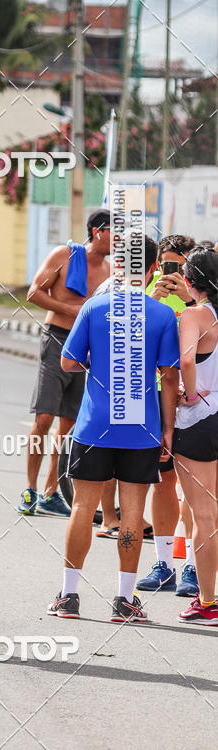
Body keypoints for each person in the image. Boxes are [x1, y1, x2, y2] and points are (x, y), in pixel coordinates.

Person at [47, 235, 180, 621]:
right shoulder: (162, 315)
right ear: (154, 268)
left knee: (82, 506)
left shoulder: (94, 306)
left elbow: (68, 362)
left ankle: (69, 596)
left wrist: (99, 362)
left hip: (94, 425)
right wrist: (168, 431)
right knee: (133, 512)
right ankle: (124, 600)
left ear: (119, 267)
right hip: (141, 426)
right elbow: (170, 377)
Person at [21, 208, 111, 517]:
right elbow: (34, 293)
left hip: (87, 348)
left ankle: (50, 492)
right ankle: (30, 489)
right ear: (98, 231)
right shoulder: (65, 255)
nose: (119, 240)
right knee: (44, 418)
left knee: (69, 422)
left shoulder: (110, 271)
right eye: (115, 233)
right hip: (57, 337)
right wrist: (73, 310)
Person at [136, 235, 198, 598]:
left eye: (180, 266)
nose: (171, 273)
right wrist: (153, 300)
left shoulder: (203, 299)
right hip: (158, 396)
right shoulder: (147, 296)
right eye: (165, 265)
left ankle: (193, 564)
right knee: (162, 482)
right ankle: (163, 565)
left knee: (193, 487)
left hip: (194, 400)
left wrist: (189, 298)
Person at [172, 247, 218, 624]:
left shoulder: (194, 314)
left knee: (203, 514)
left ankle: (207, 601)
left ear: (189, 282)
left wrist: (188, 395)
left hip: (199, 418)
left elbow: (187, 358)